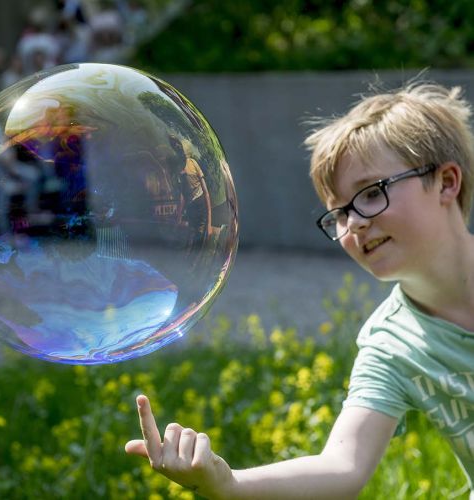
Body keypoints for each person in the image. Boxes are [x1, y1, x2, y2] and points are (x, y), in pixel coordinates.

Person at [125, 80, 474, 498]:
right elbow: (343, 465)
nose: (354, 223)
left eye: (371, 193)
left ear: (446, 182)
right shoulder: (392, 345)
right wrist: (226, 483)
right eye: (339, 213)